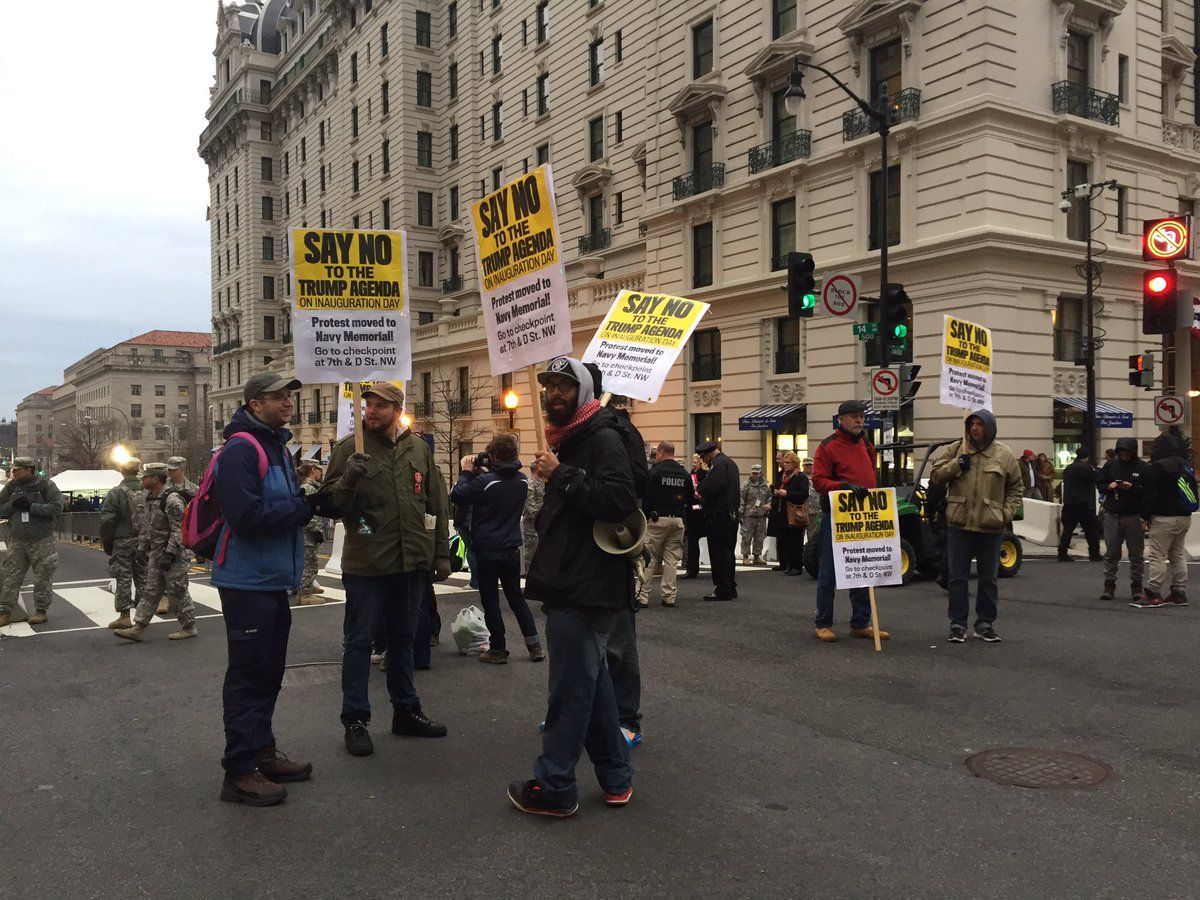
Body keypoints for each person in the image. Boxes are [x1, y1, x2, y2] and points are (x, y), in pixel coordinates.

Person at [508, 356, 636, 818]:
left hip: (588, 583)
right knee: (593, 681)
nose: (553, 394)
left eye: (563, 386)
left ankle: (556, 786)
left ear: (582, 392)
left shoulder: (601, 437)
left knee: (569, 690)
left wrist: (560, 472)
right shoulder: (574, 438)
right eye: (548, 387)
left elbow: (619, 500)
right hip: (572, 578)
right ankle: (617, 777)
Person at [200, 373, 316, 806]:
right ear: (253, 403)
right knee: (249, 674)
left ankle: (261, 751)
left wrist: (310, 500)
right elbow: (246, 516)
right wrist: (305, 508)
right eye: (276, 397)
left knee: (269, 670)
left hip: (270, 579)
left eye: (288, 396)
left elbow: (279, 505)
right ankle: (240, 771)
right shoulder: (241, 449)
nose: (286, 403)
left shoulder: (276, 447)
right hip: (246, 581)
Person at [321, 382, 452, 758]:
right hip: (367, 564)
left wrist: (440, 554)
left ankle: (406, 710)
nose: (372, 412)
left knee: (403, 640)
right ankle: (356, 719)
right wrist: (348, 479)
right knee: (359, 642)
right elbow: (329, 506)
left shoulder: (417, 449)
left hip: (410, 562)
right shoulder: (350, 449)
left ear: (398, 409)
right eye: (368, 405)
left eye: (381, 406)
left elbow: (435, 505)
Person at [930, 410, 1023, 644]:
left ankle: (985, 623)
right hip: (959, 523)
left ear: (989, 427)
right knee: (957, 577)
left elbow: (1016, 487)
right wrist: (956, 465)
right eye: (972, 424)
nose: (975, 428)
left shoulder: (1004, 455)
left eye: (980, 424)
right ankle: (957, 624)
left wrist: (1005, 513)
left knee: (989, 578)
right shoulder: (956, 449)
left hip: (990, 526)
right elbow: (937, 477)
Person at [451, 433, 544, 664]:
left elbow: (458, 496)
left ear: (494, 455)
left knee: (491, 600)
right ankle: (534, 645)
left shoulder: (485, 482)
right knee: (515, 598)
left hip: (487, 548)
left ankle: (498, 649)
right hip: (511, 546)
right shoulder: (522, 480)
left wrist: (465, 473)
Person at [811, 400, 888, 643]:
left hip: (864, 517)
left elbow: (872, 475)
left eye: (861, 416)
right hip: (837, 516)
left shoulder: (866, 444)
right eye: (854, 416)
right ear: (841, 419)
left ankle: (861, 623)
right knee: (829, 572)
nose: (859, 420)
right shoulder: (828, 447)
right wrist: (843, 487)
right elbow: (818, 481)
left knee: (863, 569)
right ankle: (823, 623)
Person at [113, 463, 198, 642]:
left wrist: (170, 553)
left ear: (155, 479)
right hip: (157, 553)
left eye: (145, 477)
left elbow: (178, 529)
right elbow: (147, 527)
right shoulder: (150, 498)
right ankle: (138, 627)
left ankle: (189, 626)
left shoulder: (171, 499)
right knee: (151, 590)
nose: (141, 479)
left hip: (172, 555)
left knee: (177, 591)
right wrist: (142, 549)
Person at [1132, 432, 1195, 609]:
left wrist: (1144, 517)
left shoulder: (1159, 467)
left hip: (1164, 518)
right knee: (1177, 554)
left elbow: (1150, 494)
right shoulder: (1185, 464)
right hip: (1184, 516)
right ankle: (1179, 591)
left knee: (1157, 555)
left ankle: (1153, 592)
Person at [0, 457, 63, 627]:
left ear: (28, 470)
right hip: (18, 539)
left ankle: (41, 611)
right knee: (11, 576)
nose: (13, 473)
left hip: (41, 539)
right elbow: (1, 507)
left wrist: (31, 507)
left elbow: (57, 508)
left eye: (17, 470)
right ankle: (5, 612)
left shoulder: (45, 485)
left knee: (43, 576)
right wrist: (14, 505)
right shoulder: (12, 486)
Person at [637, 441, 689, 608]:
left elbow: (645, 495)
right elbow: (691, 497)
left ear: (660, 452)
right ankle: (669, 596)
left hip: (657, 520)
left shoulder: (655, 472)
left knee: (648, 558)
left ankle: (642, 596)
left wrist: (646, 516)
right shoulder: (684, 473)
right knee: (672, 560)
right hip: (678, 521)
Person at [99, 457, 147, 631]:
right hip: (144, 540)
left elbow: (107, 520)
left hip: (123, 540)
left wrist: (107, 541)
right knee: (143, 575)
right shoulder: (147, 490)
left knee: (124, 577)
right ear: (138, 470)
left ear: (122, 471)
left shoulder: (116, 493)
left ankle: (125, 616)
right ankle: (143, 614)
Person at [1098, 438, 1147, 602]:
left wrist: (1132, 487)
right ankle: (1109, 585)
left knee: (1136, 554)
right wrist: (1109, 487)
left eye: (1126, 452)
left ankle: (1137, 586)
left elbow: (1148, 491)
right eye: (1121, 452)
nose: (1123, 455)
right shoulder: (1111, 465)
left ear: (1133, 452)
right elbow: (1100, 484)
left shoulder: (1142, 468)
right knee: (1111, 552)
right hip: (1113, 513)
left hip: (1133, 515)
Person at [697, 440, 739, 602]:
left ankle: (722, 588)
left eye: (703, 458)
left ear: (708, 454)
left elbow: (710, 487)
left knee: (719, 553)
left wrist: (700, 487)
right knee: (728, 552)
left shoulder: (718, 465)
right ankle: (730, 586)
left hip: (718, 515)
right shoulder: (730, 463)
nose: (704, 461)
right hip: (730, 514)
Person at [767, 452, 808, 575]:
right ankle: (788, 564)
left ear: (794, 463)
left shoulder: (800, 477)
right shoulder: (782, 477)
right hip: (782, 512)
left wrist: (787, 494)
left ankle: (797, 565)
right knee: (784, 540)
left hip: (794, 512)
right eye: (784, 462)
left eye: (787, 462)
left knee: (795, 539)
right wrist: (776, 494)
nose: (784, 465)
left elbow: (803, 495)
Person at [1057, 449, 1102, 562]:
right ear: (1086, 456)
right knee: (1091, 529)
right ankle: (1094, 554)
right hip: (1083, 503)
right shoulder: (1086, 468)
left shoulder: (1069, 468)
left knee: (1067, 530)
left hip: (1069, 503)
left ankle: (1062, 553)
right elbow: (1096, 478)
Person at [296, 460, 326, 605]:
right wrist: (316, 531)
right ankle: (305, 593)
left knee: (311, 561)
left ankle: (308, 587)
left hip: (308, 532)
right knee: (309, 563)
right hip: (308, 533)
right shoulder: (308, 487)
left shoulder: (310, 486)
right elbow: (310, 511)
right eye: (319, 470)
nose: (321, 473)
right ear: (313, 470)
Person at [739, 464, 772, 566]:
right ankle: (745, 556)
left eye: (757, 473)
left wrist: (769, 506)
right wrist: (740, 513)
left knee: (760, 536)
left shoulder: (766, 485)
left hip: (761, 515)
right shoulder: (746, 485)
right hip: (748, 515)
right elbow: (741, 499)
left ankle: (757, 556)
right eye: (753, 473)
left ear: (761, 473)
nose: (755, 475)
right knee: (746, 536)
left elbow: (769, 498)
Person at [680, 454, 705, 580]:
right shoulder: (690, 475)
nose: (694, 464)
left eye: (696, 462)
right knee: (691, 542)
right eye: (693, 462)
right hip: (692, 512)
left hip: (702, 512)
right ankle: (691, 568)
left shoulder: (704, 475)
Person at [521, 474, 544, 577]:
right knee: (530, 548)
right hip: (532, 522)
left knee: (538, 548)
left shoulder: (541, 482)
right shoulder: (530, 484)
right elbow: (530, 506)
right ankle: (528, 572)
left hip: (541, 520)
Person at [802, 458, 821, 545]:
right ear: (803, 466)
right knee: (799, 535)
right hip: (801, 510)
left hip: (815, 510)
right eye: (806, 465)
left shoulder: (818, 477)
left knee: (813, 535)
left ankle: (811, 555)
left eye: (810, 465)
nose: (808, 467)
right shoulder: (799, 477)